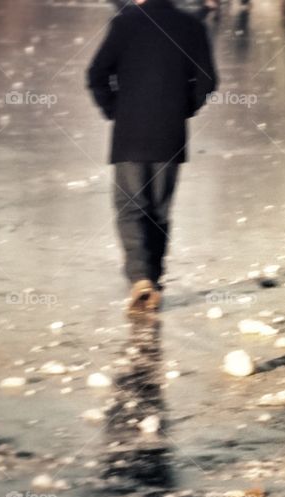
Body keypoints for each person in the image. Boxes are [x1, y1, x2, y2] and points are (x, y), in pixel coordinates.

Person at [87, 0, 217, 314]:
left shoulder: (125, 23)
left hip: (130, 133)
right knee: (158, 211)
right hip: (169, 134)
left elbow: (96, 74)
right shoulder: (192, 26)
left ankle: (141, 279)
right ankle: (154, 281)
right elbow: (207, 81)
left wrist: (114, 110)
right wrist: (182, 110)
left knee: (131, 208)